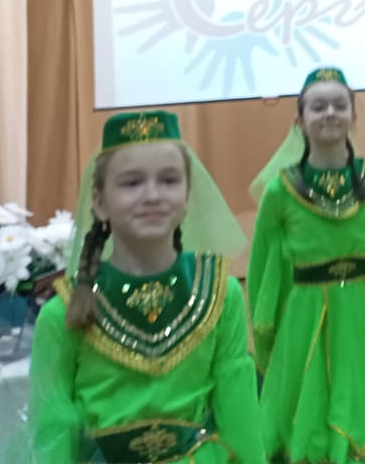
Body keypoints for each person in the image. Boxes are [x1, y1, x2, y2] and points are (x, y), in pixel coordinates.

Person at [30, 110, 263, 464]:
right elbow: (54, 425)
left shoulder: (220, 294)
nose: (152, 195)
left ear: (187, 196)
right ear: (100, 202)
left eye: (169, 180)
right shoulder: (63, 311)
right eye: (131, 183)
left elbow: (239, 408)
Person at [248, 67, 365, 464]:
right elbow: (263, 266)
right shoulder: (280, 191)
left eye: (338, 105)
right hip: (305, 317)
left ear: (353, 114)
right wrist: (270, 327)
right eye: (318, 107)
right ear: (299, 121)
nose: (329, 113)